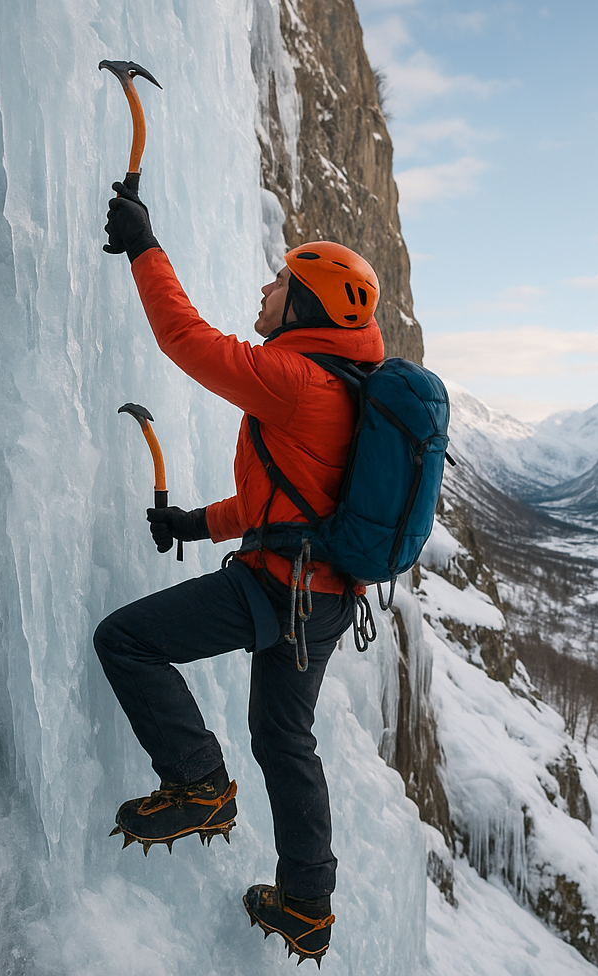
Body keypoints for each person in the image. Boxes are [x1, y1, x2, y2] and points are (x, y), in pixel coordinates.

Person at [94, 181, 383, 967]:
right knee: (285, 739)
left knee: (124, 642)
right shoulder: (341, 389)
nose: (266, 287)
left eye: (282, 282)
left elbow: (185, 340)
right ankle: (308, 904)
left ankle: (197, 785)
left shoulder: (294, 380)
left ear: (308, 309)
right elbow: (289, 501)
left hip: (274, 591)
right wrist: (199, 522)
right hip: (319, 595)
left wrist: (145, 248)